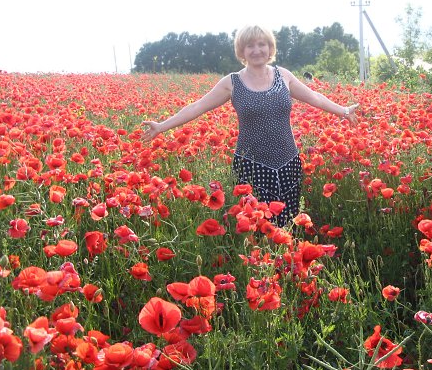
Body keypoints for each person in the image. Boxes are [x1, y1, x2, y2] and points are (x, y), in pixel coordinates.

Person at [141, 25, 359, 225]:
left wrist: (344, 110)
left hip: (288, 163)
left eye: (262, 44)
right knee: (257, 228)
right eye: (250, 46)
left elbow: (314, 97)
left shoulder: (283, 76)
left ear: (270, 48)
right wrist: (161, 126)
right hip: (251, 166)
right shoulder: (232, 82)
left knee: (289, 225)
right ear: (242, 51)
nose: (257, 50)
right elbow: (197, 107)